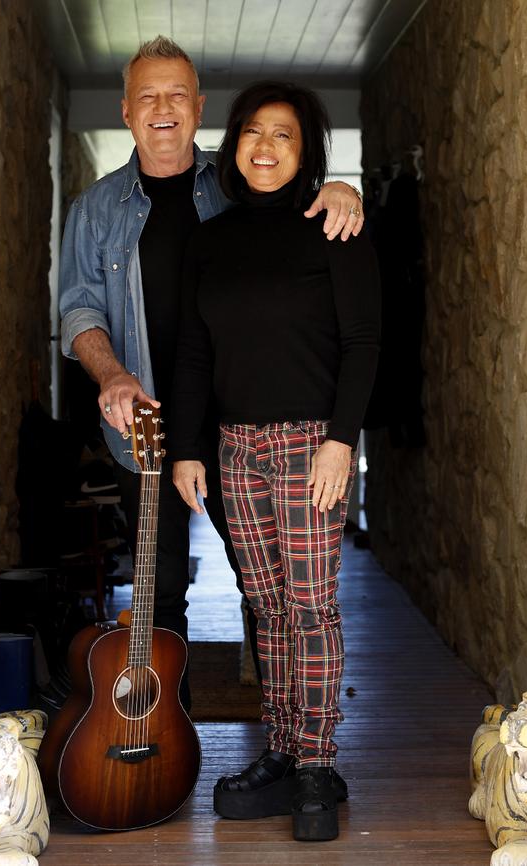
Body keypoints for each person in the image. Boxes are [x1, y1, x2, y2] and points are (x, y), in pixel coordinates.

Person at [58, 36, 366, 712]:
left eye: (176, 95)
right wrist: (110, 374)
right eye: (147, 96)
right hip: (141, 429)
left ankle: (282, 723)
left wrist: (339, 188)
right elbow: (78, 305)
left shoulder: (233, 185)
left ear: (198, 109)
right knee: (161, 585)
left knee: (267, 581)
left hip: (235, 426)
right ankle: (167, 722)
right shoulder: (94, 210)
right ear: (126, 111)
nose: (162, 108)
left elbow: (291, 207)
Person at [170, 82, 380, 841]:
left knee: (311, 606)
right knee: (266, 608)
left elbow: (362, 344)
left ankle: (319, 762)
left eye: (283, 135)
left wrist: (341, 441)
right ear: (234, 146)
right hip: (233, 449)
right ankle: (284, 750)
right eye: (253, 132)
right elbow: (194, 353)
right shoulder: (209, 240)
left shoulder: (333, 226)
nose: (265, 146)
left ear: (306, 151)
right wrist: (190, 449)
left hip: (308, 444)